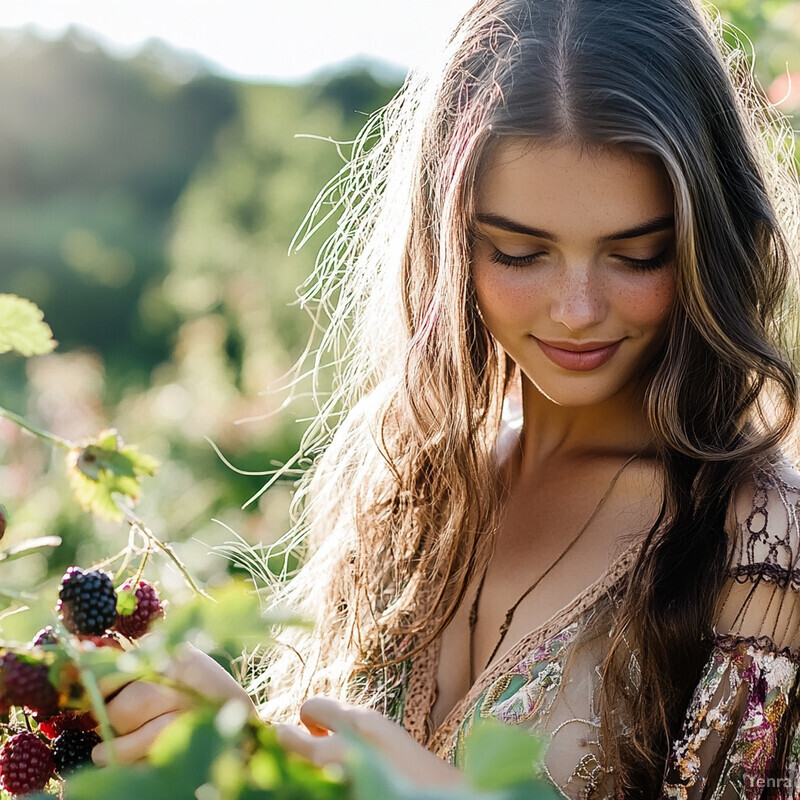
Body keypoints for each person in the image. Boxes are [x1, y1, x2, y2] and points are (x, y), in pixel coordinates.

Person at [92, 0, 800, 796]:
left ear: (711, 243)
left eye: (637, 256)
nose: (575, 308)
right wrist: (244, 747)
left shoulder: (759, 542)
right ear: (449, 237)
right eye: (519, 252)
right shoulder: (409, 484)